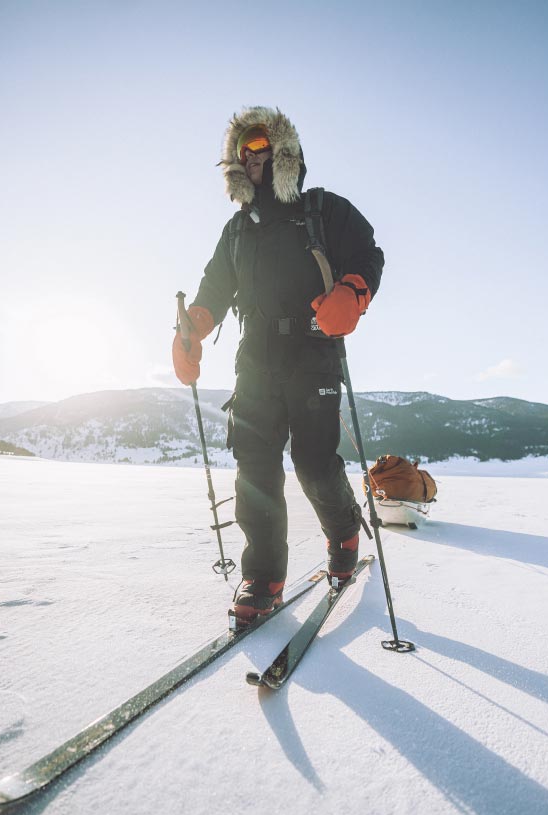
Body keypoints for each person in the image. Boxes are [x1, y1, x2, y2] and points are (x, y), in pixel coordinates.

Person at [172, 106, 384, 625]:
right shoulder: (237, 231)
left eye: (261, 144)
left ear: (283, 152)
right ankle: (263, 576)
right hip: (257, 358)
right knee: (256, 467)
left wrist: (353, 292)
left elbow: (368, 254)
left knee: (313, 462)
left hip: (314, 351)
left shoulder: (322, 209)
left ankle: (344, 532)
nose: (252, 155)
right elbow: (215, 289)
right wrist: (193, 328)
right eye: (243, 149)